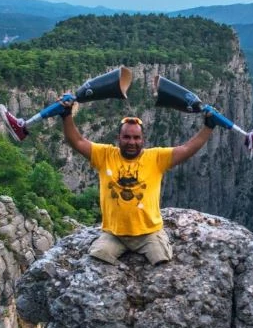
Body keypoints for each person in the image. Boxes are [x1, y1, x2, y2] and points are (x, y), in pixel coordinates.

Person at [60, 98, 214, 266]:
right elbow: (77, 141)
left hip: (148, 233)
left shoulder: (155, 158)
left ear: (143, 139)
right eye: (126, 137)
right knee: (98, 256)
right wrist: (67, 115)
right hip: (114, 234)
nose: (131, 142)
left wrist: (208, 127)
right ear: (118, 137)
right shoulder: (104, 155)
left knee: (162, 261)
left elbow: (187, 149)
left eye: (136, 137)